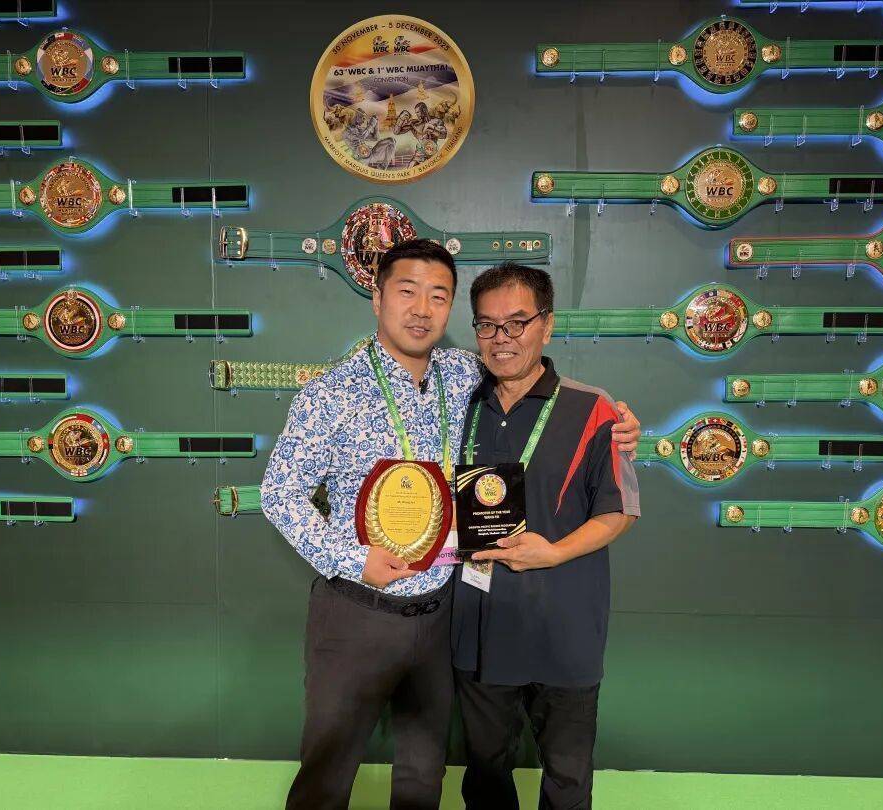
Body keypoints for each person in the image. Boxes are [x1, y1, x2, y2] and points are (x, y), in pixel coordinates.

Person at [261, 240, 640, 810]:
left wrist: (620, 421)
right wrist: (352, 558)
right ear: (377, 298)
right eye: (407, 291)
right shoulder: (330, 392)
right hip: (358, 610)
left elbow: (537, 382)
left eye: (438, 296)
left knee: (423, 776)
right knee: (327, 774)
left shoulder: (464, 375)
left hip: (442, 613)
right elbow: (279, 492)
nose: (422, 309)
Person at [452, 262, 641, 810]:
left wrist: (553, 552)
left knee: (567, 781)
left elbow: (621, 511)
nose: (501, 338)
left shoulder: (594, 408)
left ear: (547, 325)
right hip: (479, 626)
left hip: (564, 628)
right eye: (487, 325)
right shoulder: (458, 404)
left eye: (517, 322)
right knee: (485, 778)